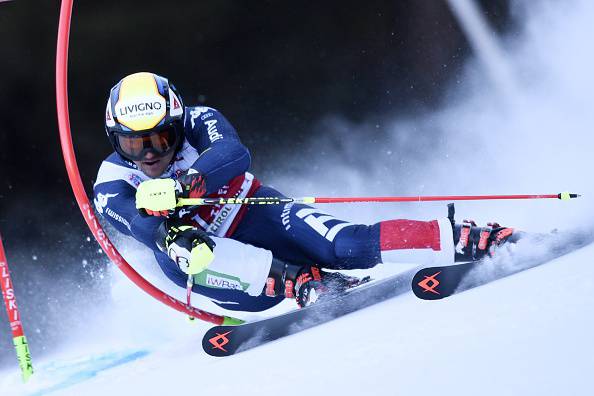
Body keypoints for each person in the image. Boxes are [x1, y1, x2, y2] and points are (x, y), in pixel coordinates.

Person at [94, 72, 517, 312]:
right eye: (134, 144)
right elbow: (133, 222)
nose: (149, 154)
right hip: (214, 263)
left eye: (161, 139)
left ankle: (459, 235)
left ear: (177, 122)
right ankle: (294, 281)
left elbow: (233, 154)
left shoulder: (200, 120)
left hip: (257, 211)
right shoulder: (112, 180)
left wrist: (186, 182)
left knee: (346, 245)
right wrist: (169, 232)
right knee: (196, 254)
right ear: (117, 141)